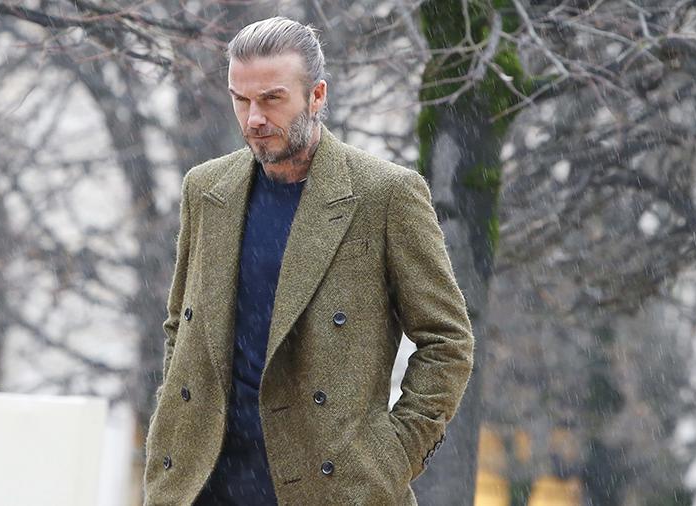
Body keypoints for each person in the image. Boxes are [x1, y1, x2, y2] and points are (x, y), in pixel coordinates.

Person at [143, 16, 474, 506]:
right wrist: (171, 431)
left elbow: (447, 340)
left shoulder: (385, 194)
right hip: (200, 487)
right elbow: (181, 326)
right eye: (241, 99)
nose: (254, 118)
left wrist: (391, 456)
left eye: (272, 98)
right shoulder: (206, 189)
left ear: (317, 96)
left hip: (332, 487)